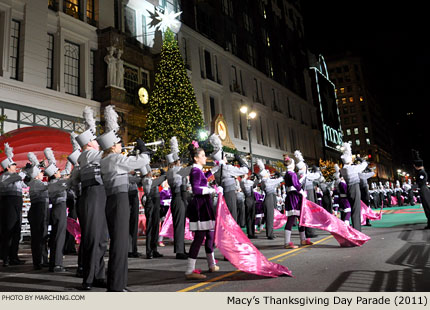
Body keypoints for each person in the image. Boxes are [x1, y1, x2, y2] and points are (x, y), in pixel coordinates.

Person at [98, 105, 150, 292]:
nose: (121, 145)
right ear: (112, 146)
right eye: (119, 142)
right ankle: (117, 286)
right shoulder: (114, 159)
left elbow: (125, 176)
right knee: (120, 245)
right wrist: (143, 151)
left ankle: (116, 283)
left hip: (113, 200)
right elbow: (140, 162)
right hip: (119, 202)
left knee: (118, 244)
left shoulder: (106, 160)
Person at [75, 106, 107, 290]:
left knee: (100, 238)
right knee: (93, 239)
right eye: (94, 140)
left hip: (98, 195)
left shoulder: (91, 155)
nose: (97, 142)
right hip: (93, 195)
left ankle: (98, 274)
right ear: (89, 144)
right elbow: (107, 156)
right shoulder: (88, 154)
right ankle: (88, 278)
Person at [185, 142, 220, 280]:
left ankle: (211, 264)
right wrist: (212, 190)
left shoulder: (198, 170)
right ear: (196, 158)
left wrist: (215, 169)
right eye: (203, 156)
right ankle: (189, 270)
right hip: (200, 207)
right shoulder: (194, 171)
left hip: (204, 205)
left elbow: (203, 179)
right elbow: (196, 189)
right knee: (199, 238)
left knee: (209, 235)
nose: (205, 158)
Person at [0, 143, 26, 267]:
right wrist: (23, 172)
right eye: (13, 165)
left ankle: (13, 256)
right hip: (8, 206)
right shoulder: (4, 177)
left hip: (17, 205)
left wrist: (31, 170)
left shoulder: (15, 177)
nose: (16, 167)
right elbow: (12, 179)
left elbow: (25, 184)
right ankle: (5, 257)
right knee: (8, 231)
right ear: (8, 167)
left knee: (16, 231)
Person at [44, 148, 70, 272]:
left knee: (56, 235)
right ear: (54, 174)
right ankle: (57, 264)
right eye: (58, 171)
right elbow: (68, 181)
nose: (61, 172)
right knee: (59, 236)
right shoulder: (57, 183)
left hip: (56, 209)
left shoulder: (53, 183)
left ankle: (53, 262)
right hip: (59, 208)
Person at [166, 136, 192, 260]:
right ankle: (179, 250)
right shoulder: (175, 170)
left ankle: (181, 248)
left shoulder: (172, 171)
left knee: (180, 224)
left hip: (177, 197)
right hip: (179, 197)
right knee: (179, 224)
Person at [25, 153, 49, 270]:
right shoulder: (37, 183)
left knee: (39, 236)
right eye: (41, 172)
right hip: (39, 210)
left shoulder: (34, 182)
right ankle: (39, 260)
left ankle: (41, 260)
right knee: (39, 236)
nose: (42, 174)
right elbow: (50, 187)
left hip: (37, 210)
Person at [283, 156, 311, 249]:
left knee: (299, 218)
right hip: (295, 197)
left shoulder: (287, 174)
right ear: (292, 164)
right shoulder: (292, 174)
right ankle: (287, 242)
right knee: (292, 219)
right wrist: (302, 192)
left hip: (291, 196)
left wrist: (302, 180)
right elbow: (296, 185)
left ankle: (303, 239)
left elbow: (294, 184)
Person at [340, 143, 367, 231]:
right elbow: (364, 165)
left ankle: (356, 228)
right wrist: (362, 160)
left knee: (354, 209)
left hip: (349, 188)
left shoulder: (343, 169)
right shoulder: (351, 168)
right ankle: (357, 230)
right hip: (354, 188)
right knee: (356, 210)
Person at [142, 164, 166, 259]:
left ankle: (154, 249)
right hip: (150, 201)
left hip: (155, 201)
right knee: (150, 227)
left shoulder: (150, 180)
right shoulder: (146, 180)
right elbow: (154, 183)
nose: (151, 173)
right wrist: (163, 176)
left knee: (156, 225)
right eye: (149, 172)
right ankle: (149, 251)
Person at [257, 159, 283, 240]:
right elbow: (281, 179)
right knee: (269, 217)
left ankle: (270, 233)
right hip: (269, 198)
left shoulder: (265, 181)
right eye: (267, 173)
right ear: (265, 175)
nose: (269, 174)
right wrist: (279, 174)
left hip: (268, 198)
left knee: (269, 217)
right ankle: (270, 234)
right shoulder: (267, 181)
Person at [412, 150, 430, 228]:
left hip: (423, 190)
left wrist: (412, 187)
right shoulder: (421, 172)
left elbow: (421, 183)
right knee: (426, 207)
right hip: (423, 190)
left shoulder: (421, 172)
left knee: (427, 207)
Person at [240, 173, 259, 238]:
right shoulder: (244, 182)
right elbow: (254, 184)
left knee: (251, 217)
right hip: (249, 199)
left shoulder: (245, 182)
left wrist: (255, 178)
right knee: (249, 217)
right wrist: (256, 178)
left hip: (250, 200)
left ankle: (251, 233)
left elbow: (254, 184)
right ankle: (250, 233)